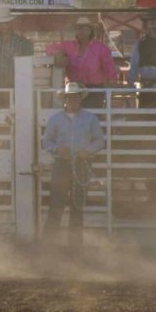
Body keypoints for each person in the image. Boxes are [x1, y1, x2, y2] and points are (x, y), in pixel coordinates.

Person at [41, 82, 105, 247]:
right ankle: (47, 247)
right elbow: (47, 141)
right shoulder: (55, 119)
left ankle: (74, 248)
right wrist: (57, 149)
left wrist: (88, 151)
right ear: (65, 98)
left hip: (81, 164)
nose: (73, 100)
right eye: (70, 97)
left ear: (80, 99)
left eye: (76, 97)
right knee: (56, 206)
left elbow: (100, 140)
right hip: (62, 164)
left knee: (77, 208)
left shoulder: (90, 118)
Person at [46, 16, 119, 108]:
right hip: (74, 90)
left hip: (94, 90)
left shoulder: (101, 48)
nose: (81, 31)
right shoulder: (69, 46)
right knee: (74, 117)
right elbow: (49, 48)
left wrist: (111, 85)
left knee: (92, 117)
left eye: (84, 28)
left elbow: (110, 70)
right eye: (78, 28)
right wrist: (58, 53)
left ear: (90, 31)